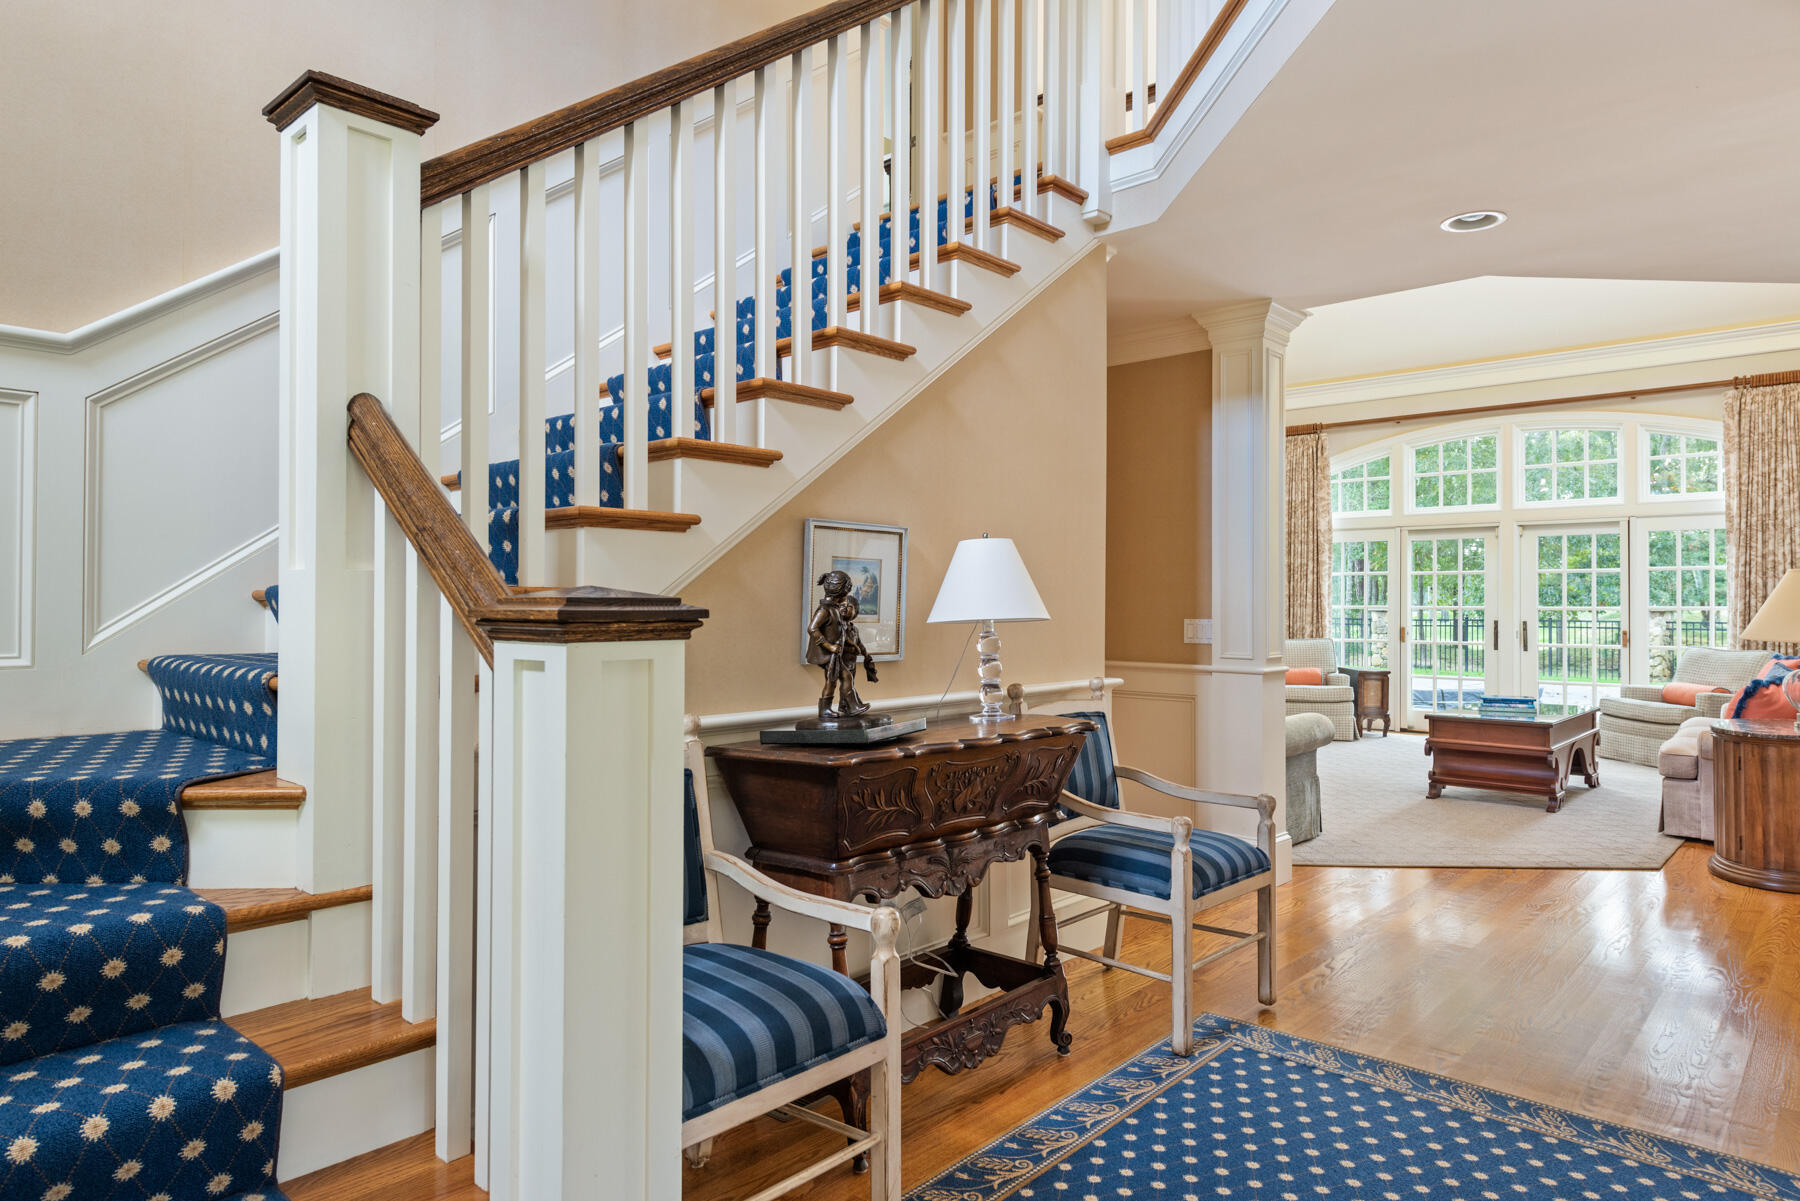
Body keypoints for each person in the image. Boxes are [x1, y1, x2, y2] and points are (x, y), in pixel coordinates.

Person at [806, 570, 880, 719]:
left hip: (835, 654)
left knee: (836, 680)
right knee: (841, 678)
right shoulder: (824, 610)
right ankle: (839, 708)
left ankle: (848, 707)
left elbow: (841, 632)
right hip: (828, 654)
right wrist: (829, 646)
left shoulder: (834, 609)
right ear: (841, 593)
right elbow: (812, 628)